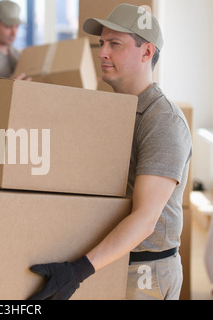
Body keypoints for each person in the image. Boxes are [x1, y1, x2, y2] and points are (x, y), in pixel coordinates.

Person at [29, 4, 193, 300]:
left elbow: (145, 219)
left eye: (115, 44)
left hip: (144, 272)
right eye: (101, 43)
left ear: (147, 52)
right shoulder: (110, 111)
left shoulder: (163, 120)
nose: (102, 52)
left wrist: (78, 271)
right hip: (106, 263)